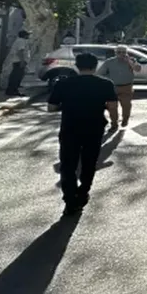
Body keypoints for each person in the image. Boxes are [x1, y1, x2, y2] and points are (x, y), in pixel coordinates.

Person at [48, 53, 118, 215]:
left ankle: (70, 198)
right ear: (95, 66)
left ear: (77, 66)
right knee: (89, 162)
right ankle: (83, 191)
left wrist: (65, 107)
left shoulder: (63, 83)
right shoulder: (105, 84)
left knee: (68, 164)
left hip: (70, 128)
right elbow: (113, 106)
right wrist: (115, 122)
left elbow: (51, 107)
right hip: (94, 128)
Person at [96, 45, 141, 127]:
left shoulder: (131, 61)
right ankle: (114, 123)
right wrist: (109, 79)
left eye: (123, 52)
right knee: (112, 107)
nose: (121, 54)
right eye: (119, 52)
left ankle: (125, 120)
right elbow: (99, 74)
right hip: (112, 88)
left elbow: (138, 69)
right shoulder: (109, 62)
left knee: (126, 106)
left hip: (126, 87)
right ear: (115, 53)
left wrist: (129, 62)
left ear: (126, 53)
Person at [4, 29, 30, 96]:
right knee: (16, 77)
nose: (28, 36)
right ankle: (12, 90)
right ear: (24, 35)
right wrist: (22, 61)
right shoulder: (21, 41)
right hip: (18, 61)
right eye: (27, 35)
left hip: (17, 61)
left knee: (16, 76)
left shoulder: (19, 41)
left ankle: (13, 90)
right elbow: (20, 51)